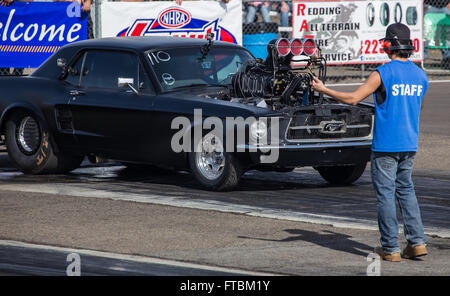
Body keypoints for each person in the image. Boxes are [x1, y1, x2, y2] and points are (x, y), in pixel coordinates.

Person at [311, 23, 429, 262]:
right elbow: (419, 108)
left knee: (385, 194)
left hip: (386, 145)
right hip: (410, 142)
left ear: (389, 46)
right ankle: (417, 243)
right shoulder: (421, 75)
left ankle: (390, 248)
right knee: (406, 190)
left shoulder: (382, 73)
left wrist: (324, 89)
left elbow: (354, 98)